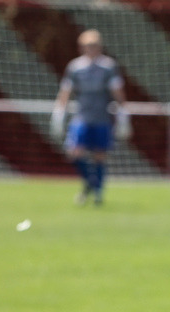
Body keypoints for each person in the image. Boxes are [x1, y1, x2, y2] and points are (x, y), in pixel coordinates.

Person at [51, 29, 131, 206]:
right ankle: (91, 183)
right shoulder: (75, 67)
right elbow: (65, 92)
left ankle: (98, 194)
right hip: (82, 118)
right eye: (88, 45)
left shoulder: (108, 67)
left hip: (102, 118)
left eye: (94, 45)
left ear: (100, 46)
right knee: (75, 153)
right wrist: (58, 115)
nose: (91, 49)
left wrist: (124, 116)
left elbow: (118, 93)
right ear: (82, 47)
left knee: (99, 156)